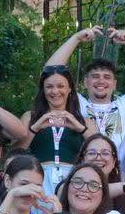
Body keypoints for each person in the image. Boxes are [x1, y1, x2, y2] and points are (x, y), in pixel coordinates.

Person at [63, 26, 125, 160]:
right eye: (95, 76)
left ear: (114, 84)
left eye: (107, 77)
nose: (101, 81)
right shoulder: (76, 103)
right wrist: (76, 38)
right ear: (86, 82)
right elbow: (50, 72)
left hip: (118, 173)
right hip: (84, 172)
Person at [20, 64, 87, 192]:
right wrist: (35, 128)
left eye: (61, 86)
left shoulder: (84, 121)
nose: (55, 91)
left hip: (73, 179)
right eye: (49, 87)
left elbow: (100, 146)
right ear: (43, 90)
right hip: (38, 176)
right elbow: (16, 151)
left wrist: (80, 128)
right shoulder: (30, 117)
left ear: (70, 89)